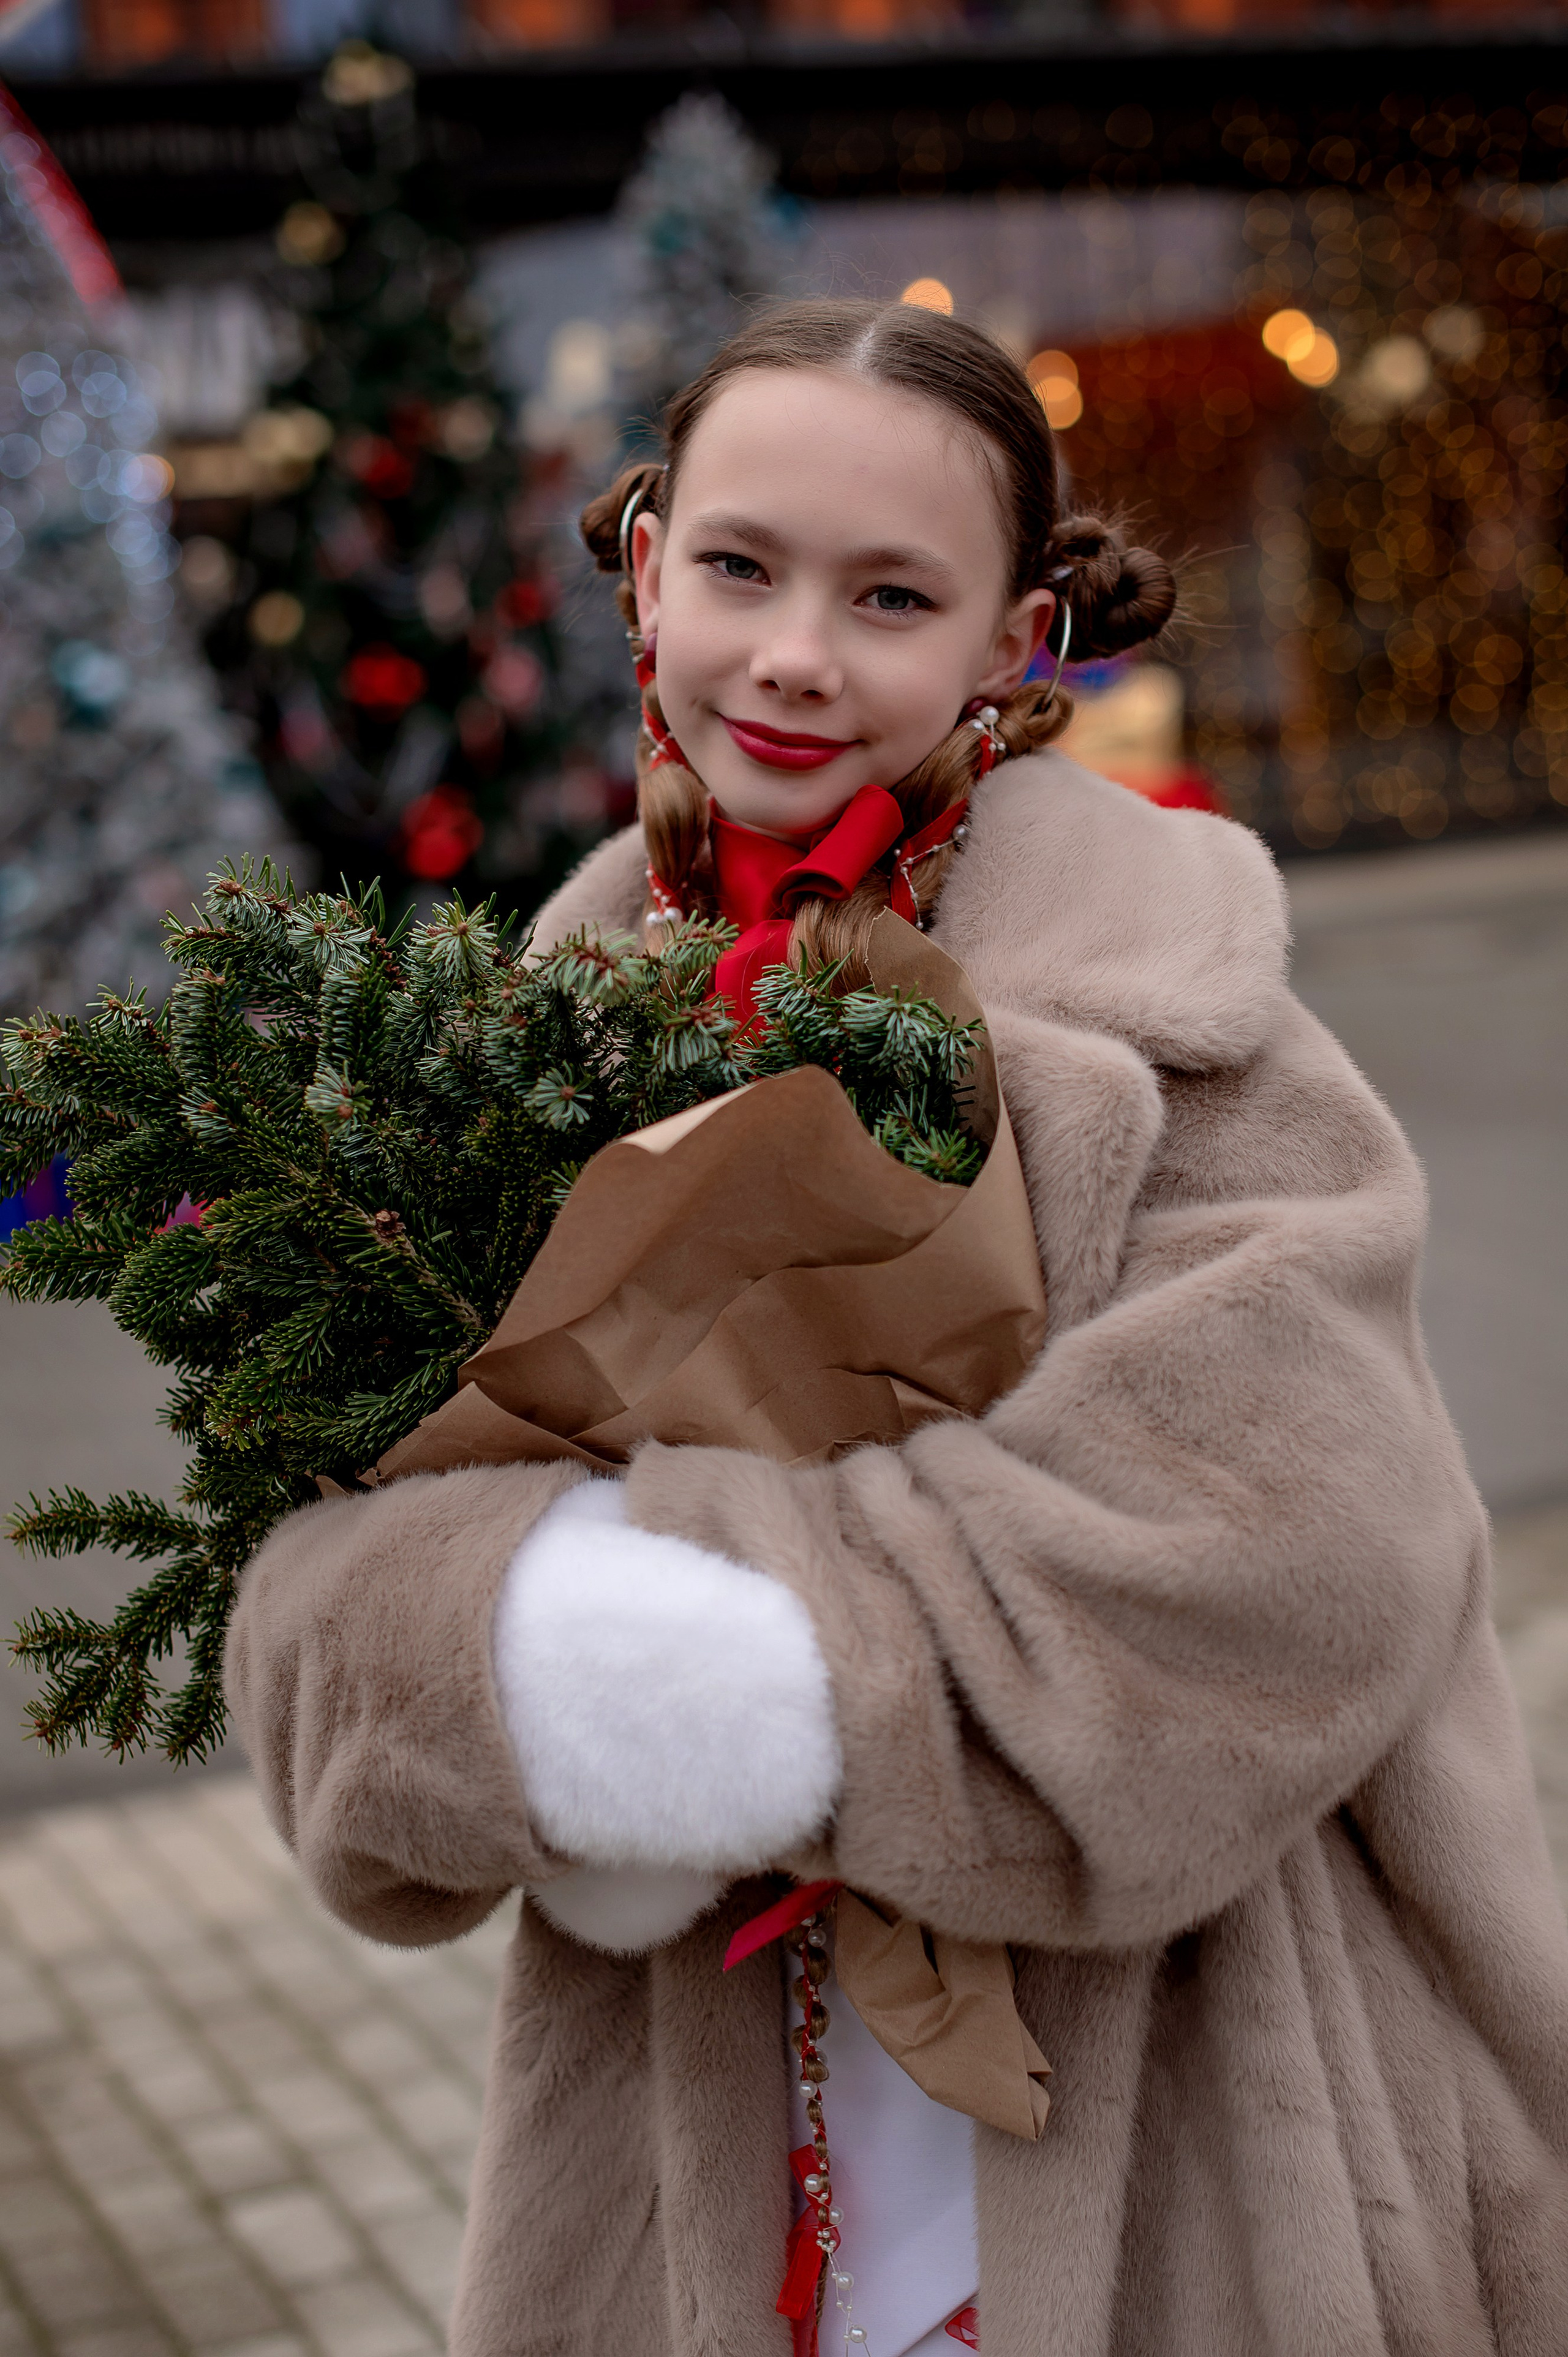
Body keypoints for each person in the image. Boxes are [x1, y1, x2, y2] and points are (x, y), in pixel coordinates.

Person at [226, 299, 1568, 2357]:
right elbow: (334, 1561)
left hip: (1176, 2127)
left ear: (1011, 644)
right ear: (646, 557)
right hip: (696, 2144)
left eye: (889, 595)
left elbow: (1301, 1557)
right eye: (743, 566)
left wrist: (737, 1678)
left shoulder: (1177, 1012)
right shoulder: (535, 1014)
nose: (791, 653)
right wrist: (520, 1670)